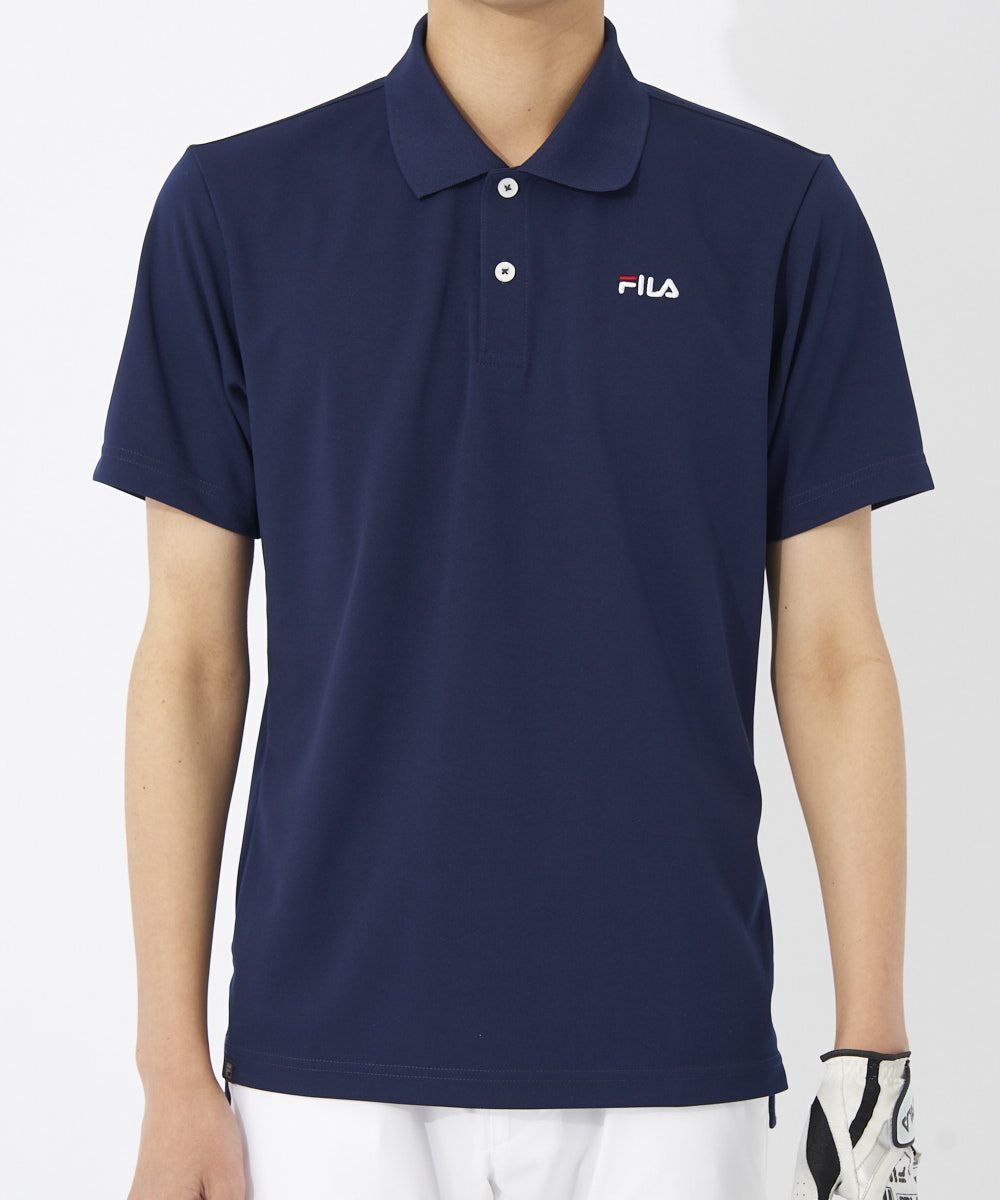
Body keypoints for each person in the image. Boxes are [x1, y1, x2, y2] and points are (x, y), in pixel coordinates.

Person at [94, 1, 931, 1197]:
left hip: (673, 1045)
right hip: (326, 1058)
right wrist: (171, 1072)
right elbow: (188, 658)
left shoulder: (780, 213)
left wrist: (872, 1059)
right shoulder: (234, 210)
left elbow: (835, 655)